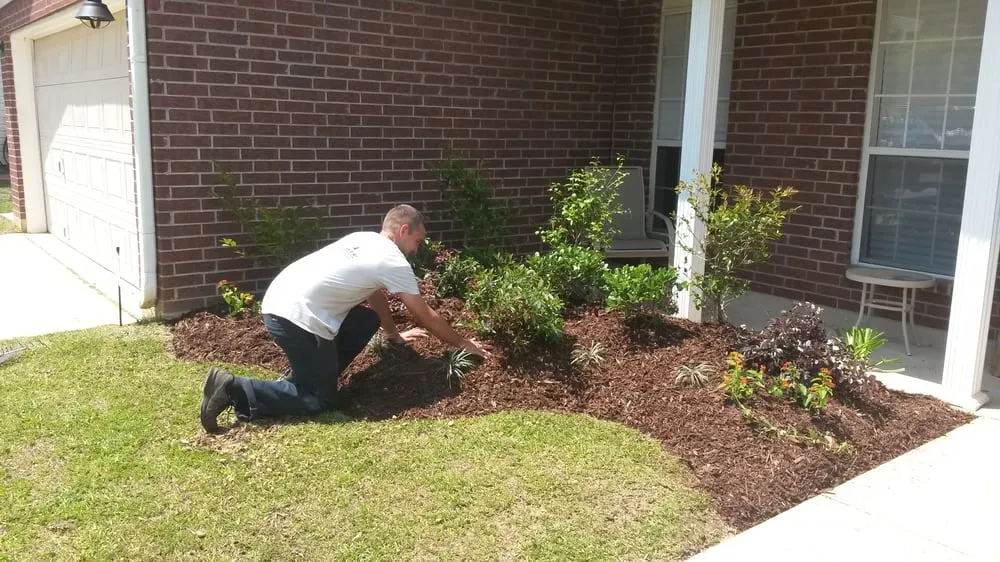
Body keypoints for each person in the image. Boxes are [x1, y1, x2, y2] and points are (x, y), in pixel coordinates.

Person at [199, 204, 490, 432]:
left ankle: (307, 375)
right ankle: (233, 387)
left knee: (365, 320)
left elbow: (374, 294)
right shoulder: (393, 260)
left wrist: (392, 334)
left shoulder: (363, 239)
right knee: (320, 401)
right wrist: (463, 342)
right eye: (418, 240)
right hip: (299, 319)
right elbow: (424, 314)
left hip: (281, 301)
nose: (418, 248)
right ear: (403, 230)